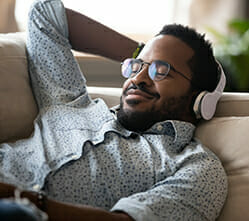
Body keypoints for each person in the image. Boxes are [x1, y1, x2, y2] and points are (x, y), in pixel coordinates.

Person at [0, 0, 227, 220]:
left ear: (199, 98)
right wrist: (143, 51)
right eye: (136, 66)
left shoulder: (197, 167)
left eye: (160, 70)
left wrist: (26, 200)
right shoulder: (69, 101)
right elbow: (45, 13)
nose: (138, 78)